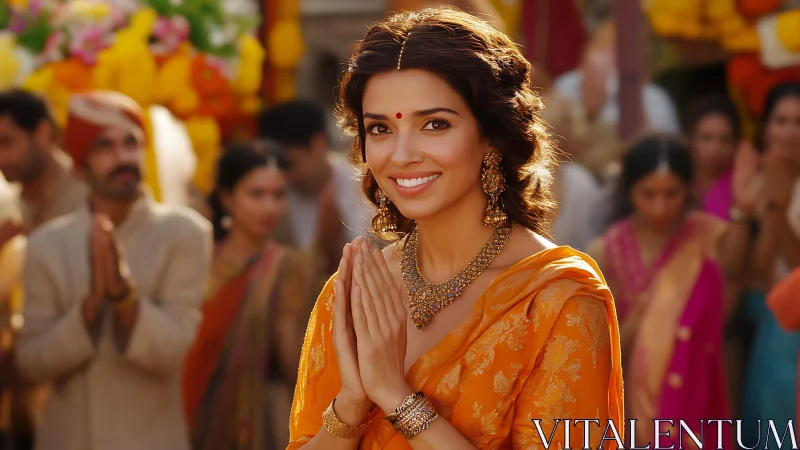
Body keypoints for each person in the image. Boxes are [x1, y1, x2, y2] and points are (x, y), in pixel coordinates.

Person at [288, 8, 623, 449]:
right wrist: (350, 403)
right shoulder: (355, 294)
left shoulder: (555, 301)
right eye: (381, 128)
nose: (402, 155)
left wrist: (394, 396)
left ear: (491, 135)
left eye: (435, 124)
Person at [14, 90, 212, 450]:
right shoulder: (47, 244)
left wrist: (124, 298)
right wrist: (88, 309)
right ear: (79, 165)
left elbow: (174, 351)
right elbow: (29, 363)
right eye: (104, 146)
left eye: (131, 143)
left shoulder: (185, 234)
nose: (123, 157)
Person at [586, 135, 757, 449]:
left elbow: (733, 265)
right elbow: (595, 349)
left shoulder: (706, 234)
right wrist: (639, 321)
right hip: (630, 404)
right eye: (648, 194)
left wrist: (743, 210)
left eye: (671, 193)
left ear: (688, 188)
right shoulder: (607, 251)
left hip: (695, 391)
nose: (660, 207)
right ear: (629, 190)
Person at [183, 140, 323, 449]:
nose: (269, 208)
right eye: (257, 194)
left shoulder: (289, 268)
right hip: (182, 418)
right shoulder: (195, 263)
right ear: (227, 198)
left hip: (258, 425)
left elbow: (297, 362)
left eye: (279, 195)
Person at [740, 82, 800, 445]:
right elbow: (760, 269)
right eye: (781, 121)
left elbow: (798, 270)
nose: (790, 131)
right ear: (766, 128)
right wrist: (758, 205)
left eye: (799, 122)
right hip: (770, 322)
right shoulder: (755, 184)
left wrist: (779, 202)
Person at [258, 100, 370, 276]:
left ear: (318, 144)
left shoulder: (364, 185)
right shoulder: (278, 199)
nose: (288, 177)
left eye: (292, 164)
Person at [0, 89, 88, 230]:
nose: (1, 157)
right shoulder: (13, 205)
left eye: (6, 142)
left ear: (42, 132)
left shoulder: (89, 192)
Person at [683, 94, 741, 219]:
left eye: (725, 140)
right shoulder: (677, 179)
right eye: (706, 138)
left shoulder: (741, 183)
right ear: (690, 140)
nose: (715, 149)